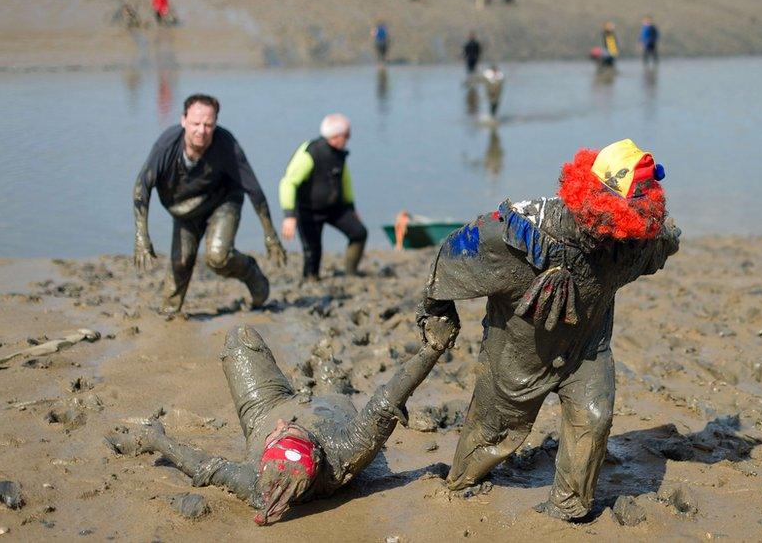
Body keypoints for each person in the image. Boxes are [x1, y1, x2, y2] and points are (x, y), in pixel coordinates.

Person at [416, 139, 680, 520]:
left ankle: (568, 506)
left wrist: (668, 237)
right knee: (494, 432)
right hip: (519, 352)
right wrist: (436, 308)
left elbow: (662, 245)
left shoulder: (634, 243)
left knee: (594, 417)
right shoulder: (517, 235)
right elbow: (455, 252)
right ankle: (459, 484)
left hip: (589, 345)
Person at [106, 320, 458, 525]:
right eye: (290, 432)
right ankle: (327, 368)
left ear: (267, 455)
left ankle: (323, 366)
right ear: (317, 456)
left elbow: (205, 466)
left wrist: (156, 439)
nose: (283, 425)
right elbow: (387, 401)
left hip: (264, 407)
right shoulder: (345, 451)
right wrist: (433, 349)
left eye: (281, 435)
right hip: (331, 408)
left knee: (239, 338)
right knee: (333, 390)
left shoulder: (257, 482)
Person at [133, 94, 286, 315]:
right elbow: (142, 186)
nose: (201, 131)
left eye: (208, 125)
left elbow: (254, 190)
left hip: (223, 201)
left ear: (215, 124)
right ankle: (170, 313)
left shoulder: (226, 144)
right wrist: (141, 237)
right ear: (183, 120)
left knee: (217, 256)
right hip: (184, 209)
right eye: (196, 124)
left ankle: (252, 272)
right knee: (181, 260)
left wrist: (270, 235)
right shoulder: (167, 145)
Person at [278, 114, 368, 282]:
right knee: (313, 252)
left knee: (359, 233)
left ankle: (351, 273)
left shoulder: (339, 154)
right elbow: (288, 183)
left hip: (335, 208)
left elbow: (345, 180)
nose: (349, 139)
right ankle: (311, 279)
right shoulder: (310, 153)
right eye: (347, 135)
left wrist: (351, 207)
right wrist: (289, 216)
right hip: (308, 211)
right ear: (335, 136)